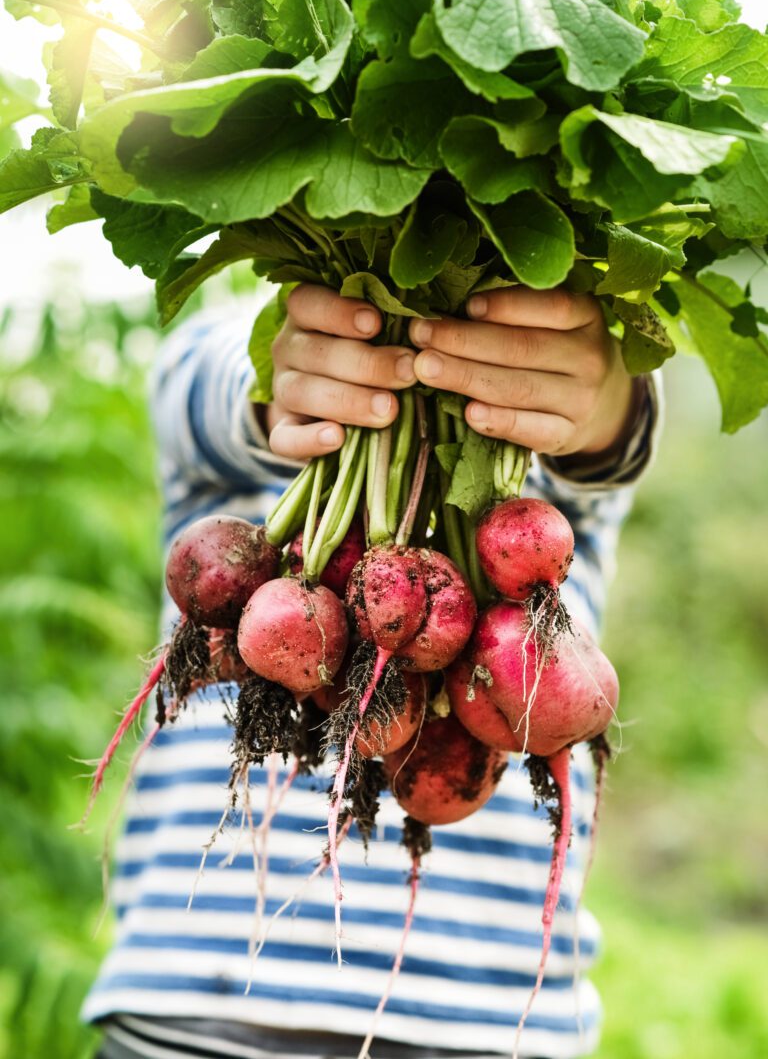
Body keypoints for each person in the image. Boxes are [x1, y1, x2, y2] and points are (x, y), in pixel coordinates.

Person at [83, 283, 661, 1059]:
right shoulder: (232, 379)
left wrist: (599, 386)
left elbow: (612, 437)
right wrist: (282, 382)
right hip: (195, 1002)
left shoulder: (557, 450)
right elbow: (190, 383)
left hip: (489, 1014)